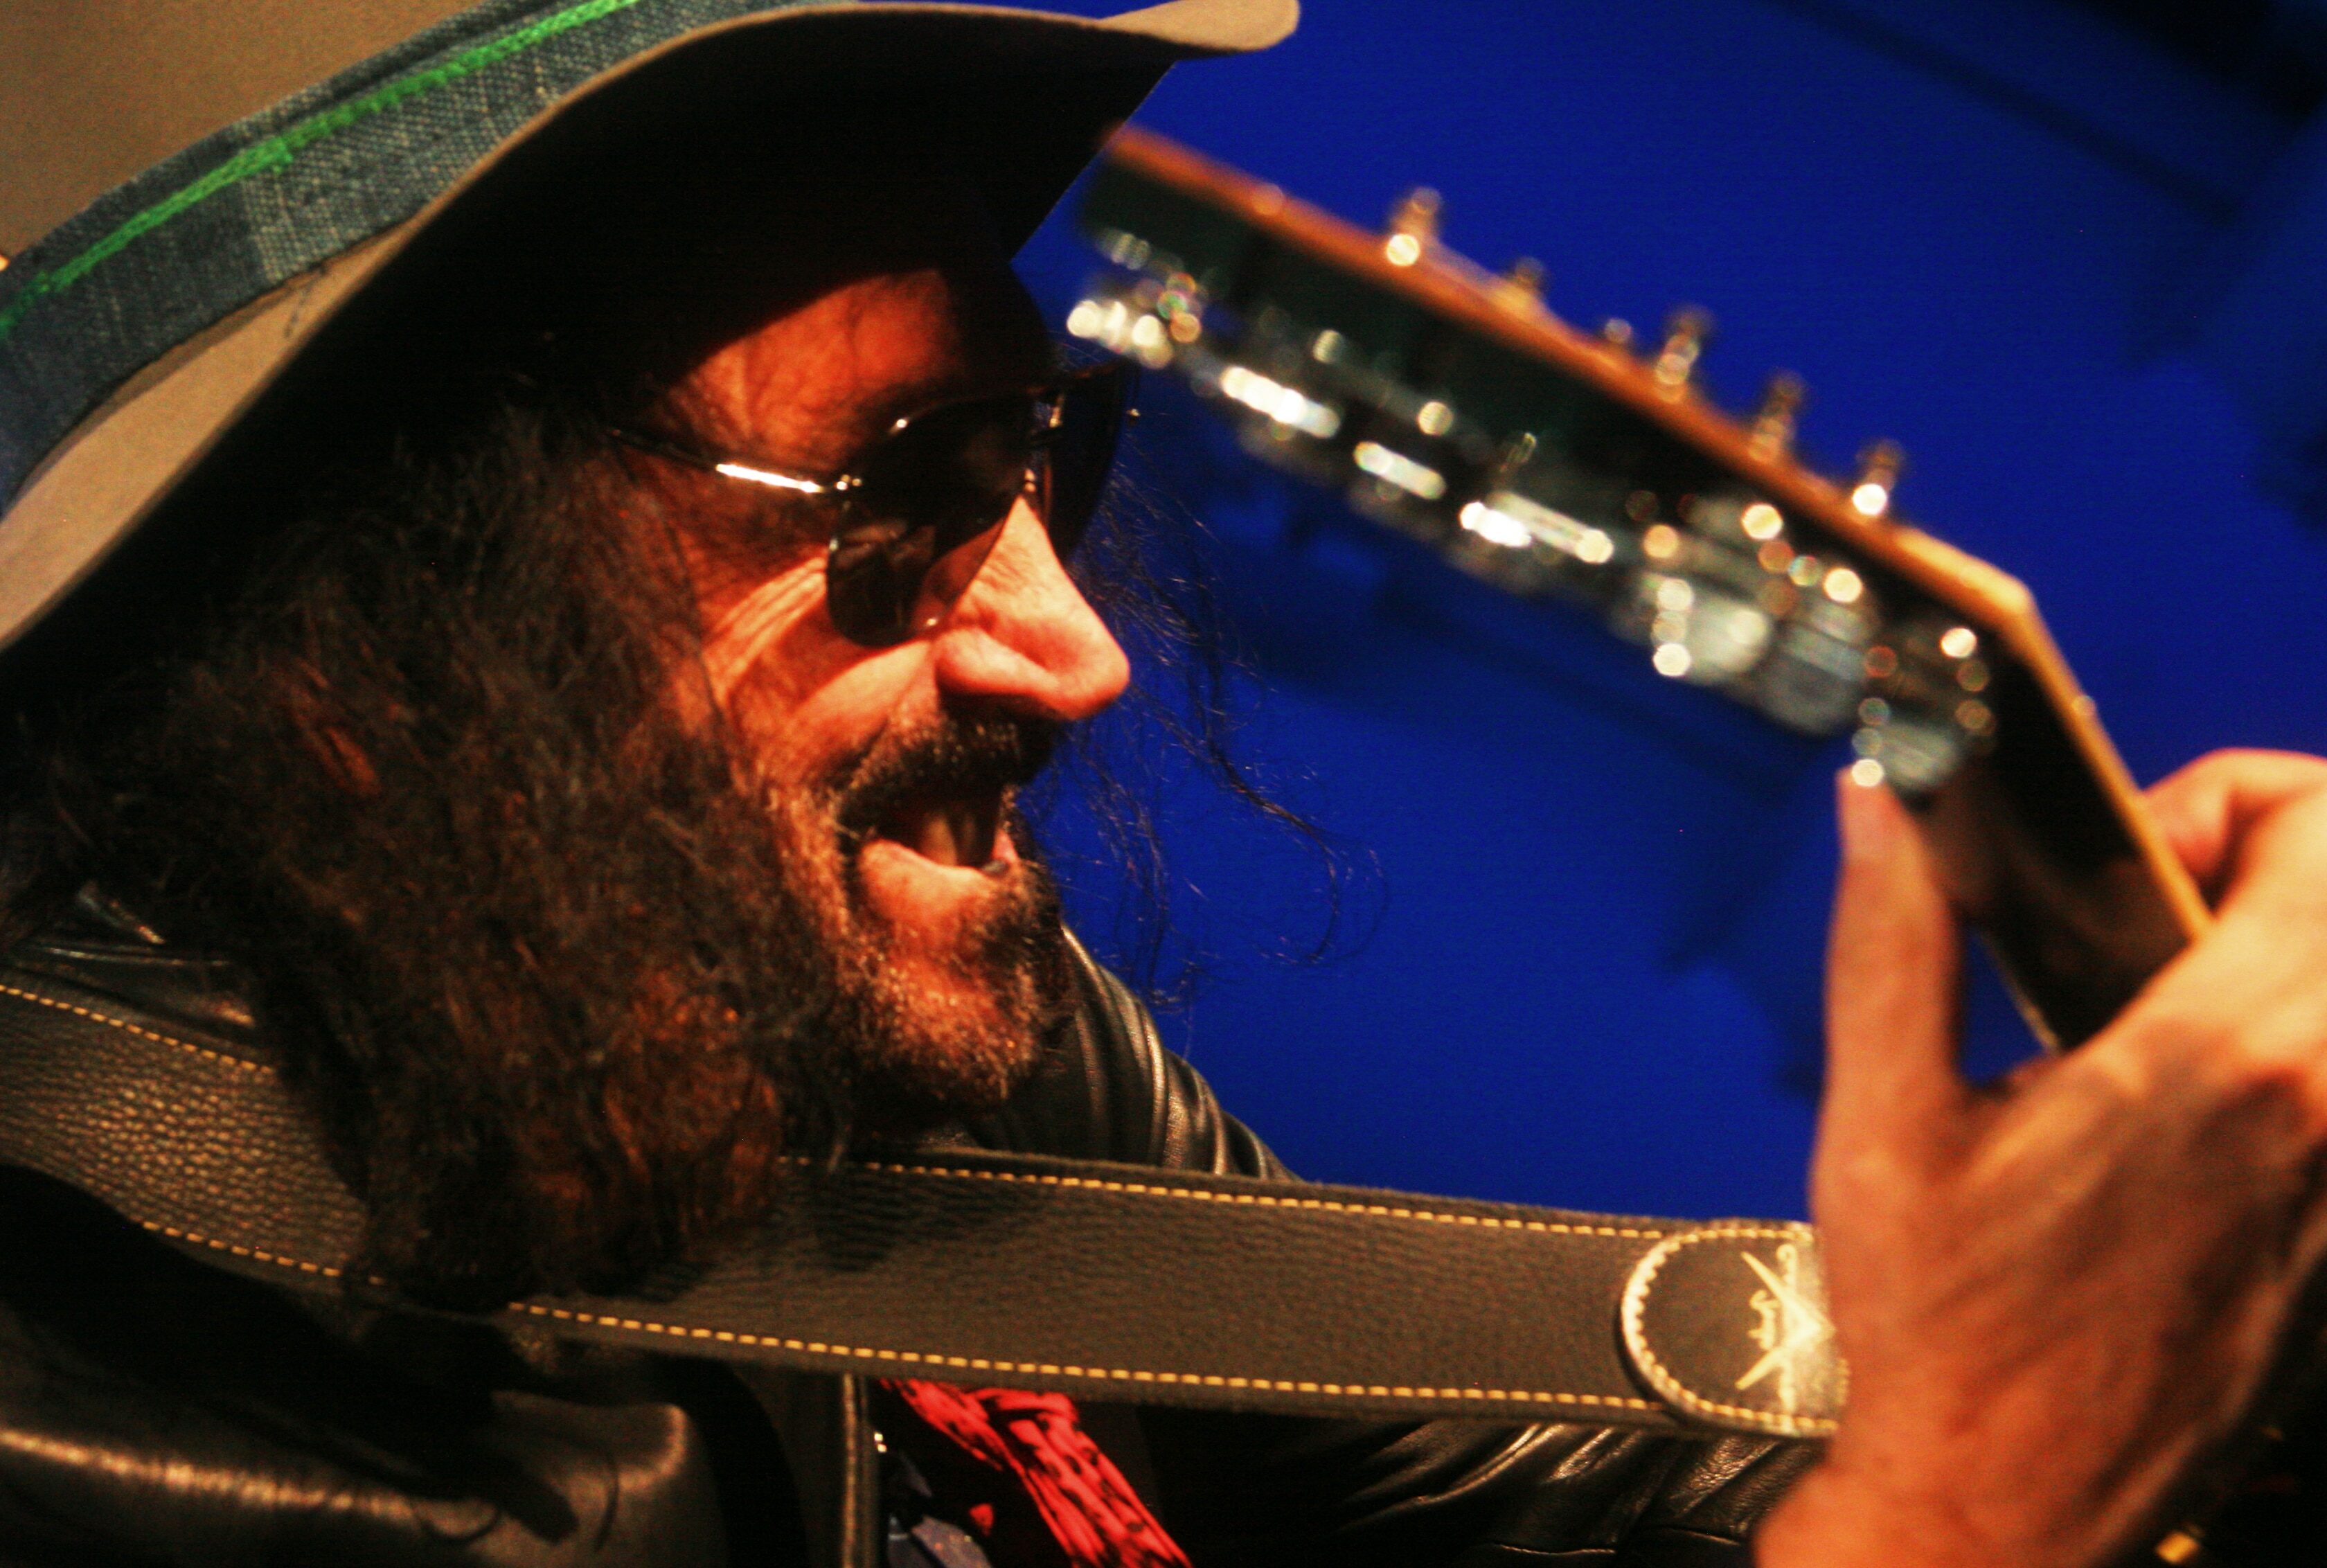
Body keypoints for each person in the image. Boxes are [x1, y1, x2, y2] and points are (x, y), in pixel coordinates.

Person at [2, 3, 2326, 1565]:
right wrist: (1965, 1507)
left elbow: (1572, 1508)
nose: (1076, 646)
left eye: (1041, 461)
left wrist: (2159, 1300)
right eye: (898, 500)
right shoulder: (96, 1439)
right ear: (360, 639)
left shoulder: (839, 1009)